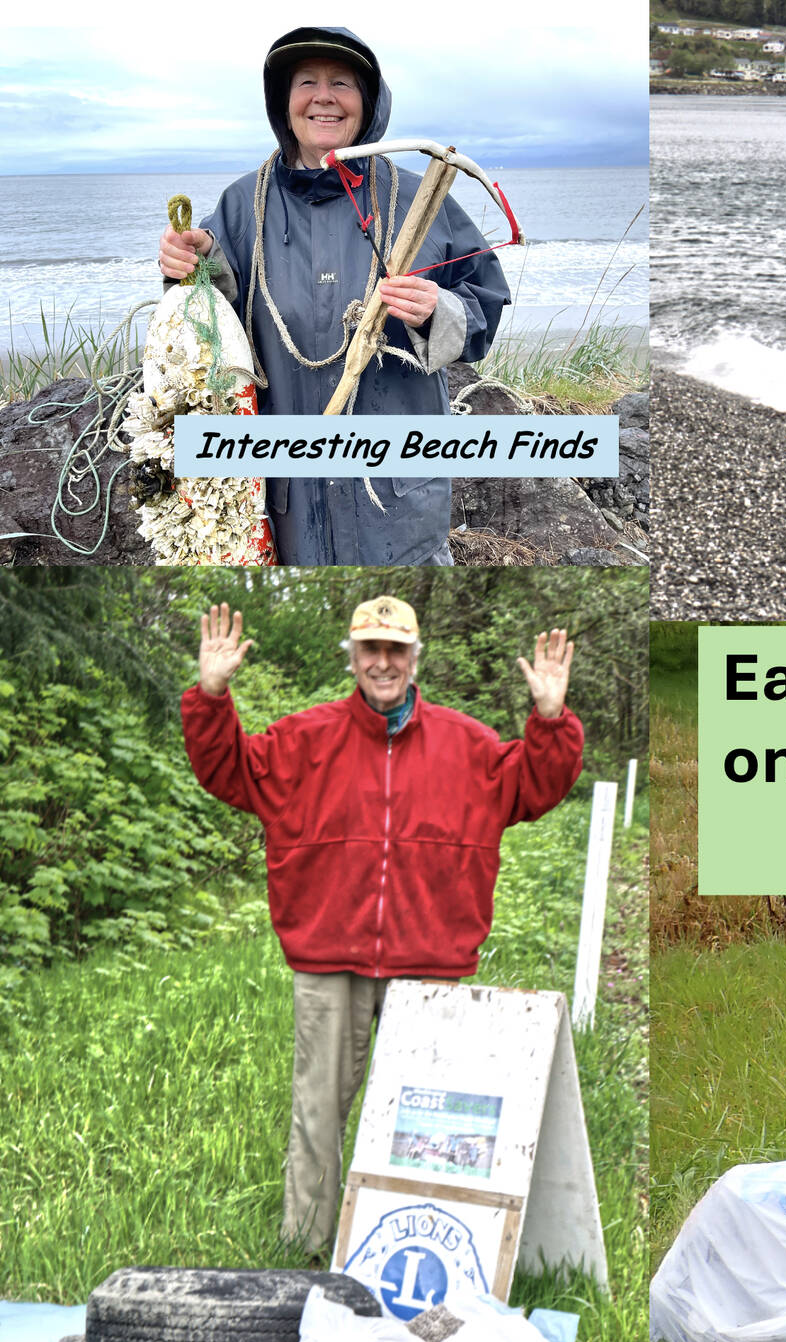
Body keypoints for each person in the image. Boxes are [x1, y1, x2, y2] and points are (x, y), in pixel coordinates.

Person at [181, 597, 583, 1257]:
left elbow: (536, 785)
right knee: (318, 1118)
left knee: (428, 1123)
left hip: (429, 964)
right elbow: (228, 771)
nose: (384, 662)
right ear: (354, 657)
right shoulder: (304, 739)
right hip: (329, 959)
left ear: (415, 658)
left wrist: (549, 718)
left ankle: (424, 1253)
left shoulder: (470, 745)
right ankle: (305, 1251)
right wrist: (211, 695)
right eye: (371, 649)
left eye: (396, 650)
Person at [155, 27, 512, 566]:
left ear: (368, 103)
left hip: (398, 506)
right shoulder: (239, 206)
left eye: (341, 82)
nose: (324, 96)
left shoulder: (420, 198)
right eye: (306, 82)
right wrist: (195, 265)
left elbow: (485, 307)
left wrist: (438, 310)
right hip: (285, 503)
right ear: (284, 101)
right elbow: (207, 337)